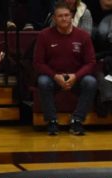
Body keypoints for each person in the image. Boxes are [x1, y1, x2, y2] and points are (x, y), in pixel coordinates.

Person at [33, 1, 97, 136]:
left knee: (91, 82)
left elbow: (91, 62)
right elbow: (38, 63)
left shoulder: (83, 36)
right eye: (60, 16)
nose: (64, 18)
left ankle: (77, 120)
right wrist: (55, 76)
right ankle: (51, 121)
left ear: (72, 16)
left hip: (76, 77)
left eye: (67, 15)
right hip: (53, 77)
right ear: (54, 19)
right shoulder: (44, 35)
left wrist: (76, 76)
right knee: (43, 81)